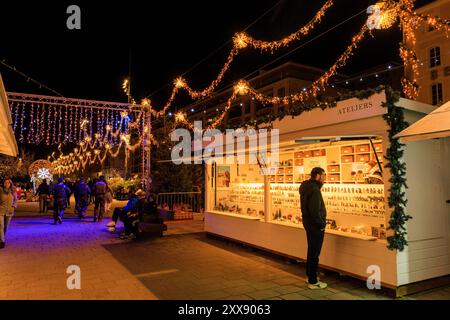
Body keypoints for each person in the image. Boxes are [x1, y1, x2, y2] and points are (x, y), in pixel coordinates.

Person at [299, 167, 328, 290]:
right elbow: (315, 211)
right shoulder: (315, 190)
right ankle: (313, 281)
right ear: (317, 176)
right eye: (323, 175)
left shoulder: (306, 187)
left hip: (308, 224)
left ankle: (309, 275)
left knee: (311, 250)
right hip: (315, 226)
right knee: (315, 253)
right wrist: (322, 224)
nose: (324, 177)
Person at [0, 178, 18, 249]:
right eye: (5, 182)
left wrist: (14, 206)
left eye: (8, 183)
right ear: (3, 183)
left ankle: (1, 237)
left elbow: (16, 200)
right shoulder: (0, 190)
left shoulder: (13, 191)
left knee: (5, 227)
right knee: (1, 226)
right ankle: (2, 241)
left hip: (9, 211)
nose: (6, 184)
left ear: (10, 184)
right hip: (1, 210)